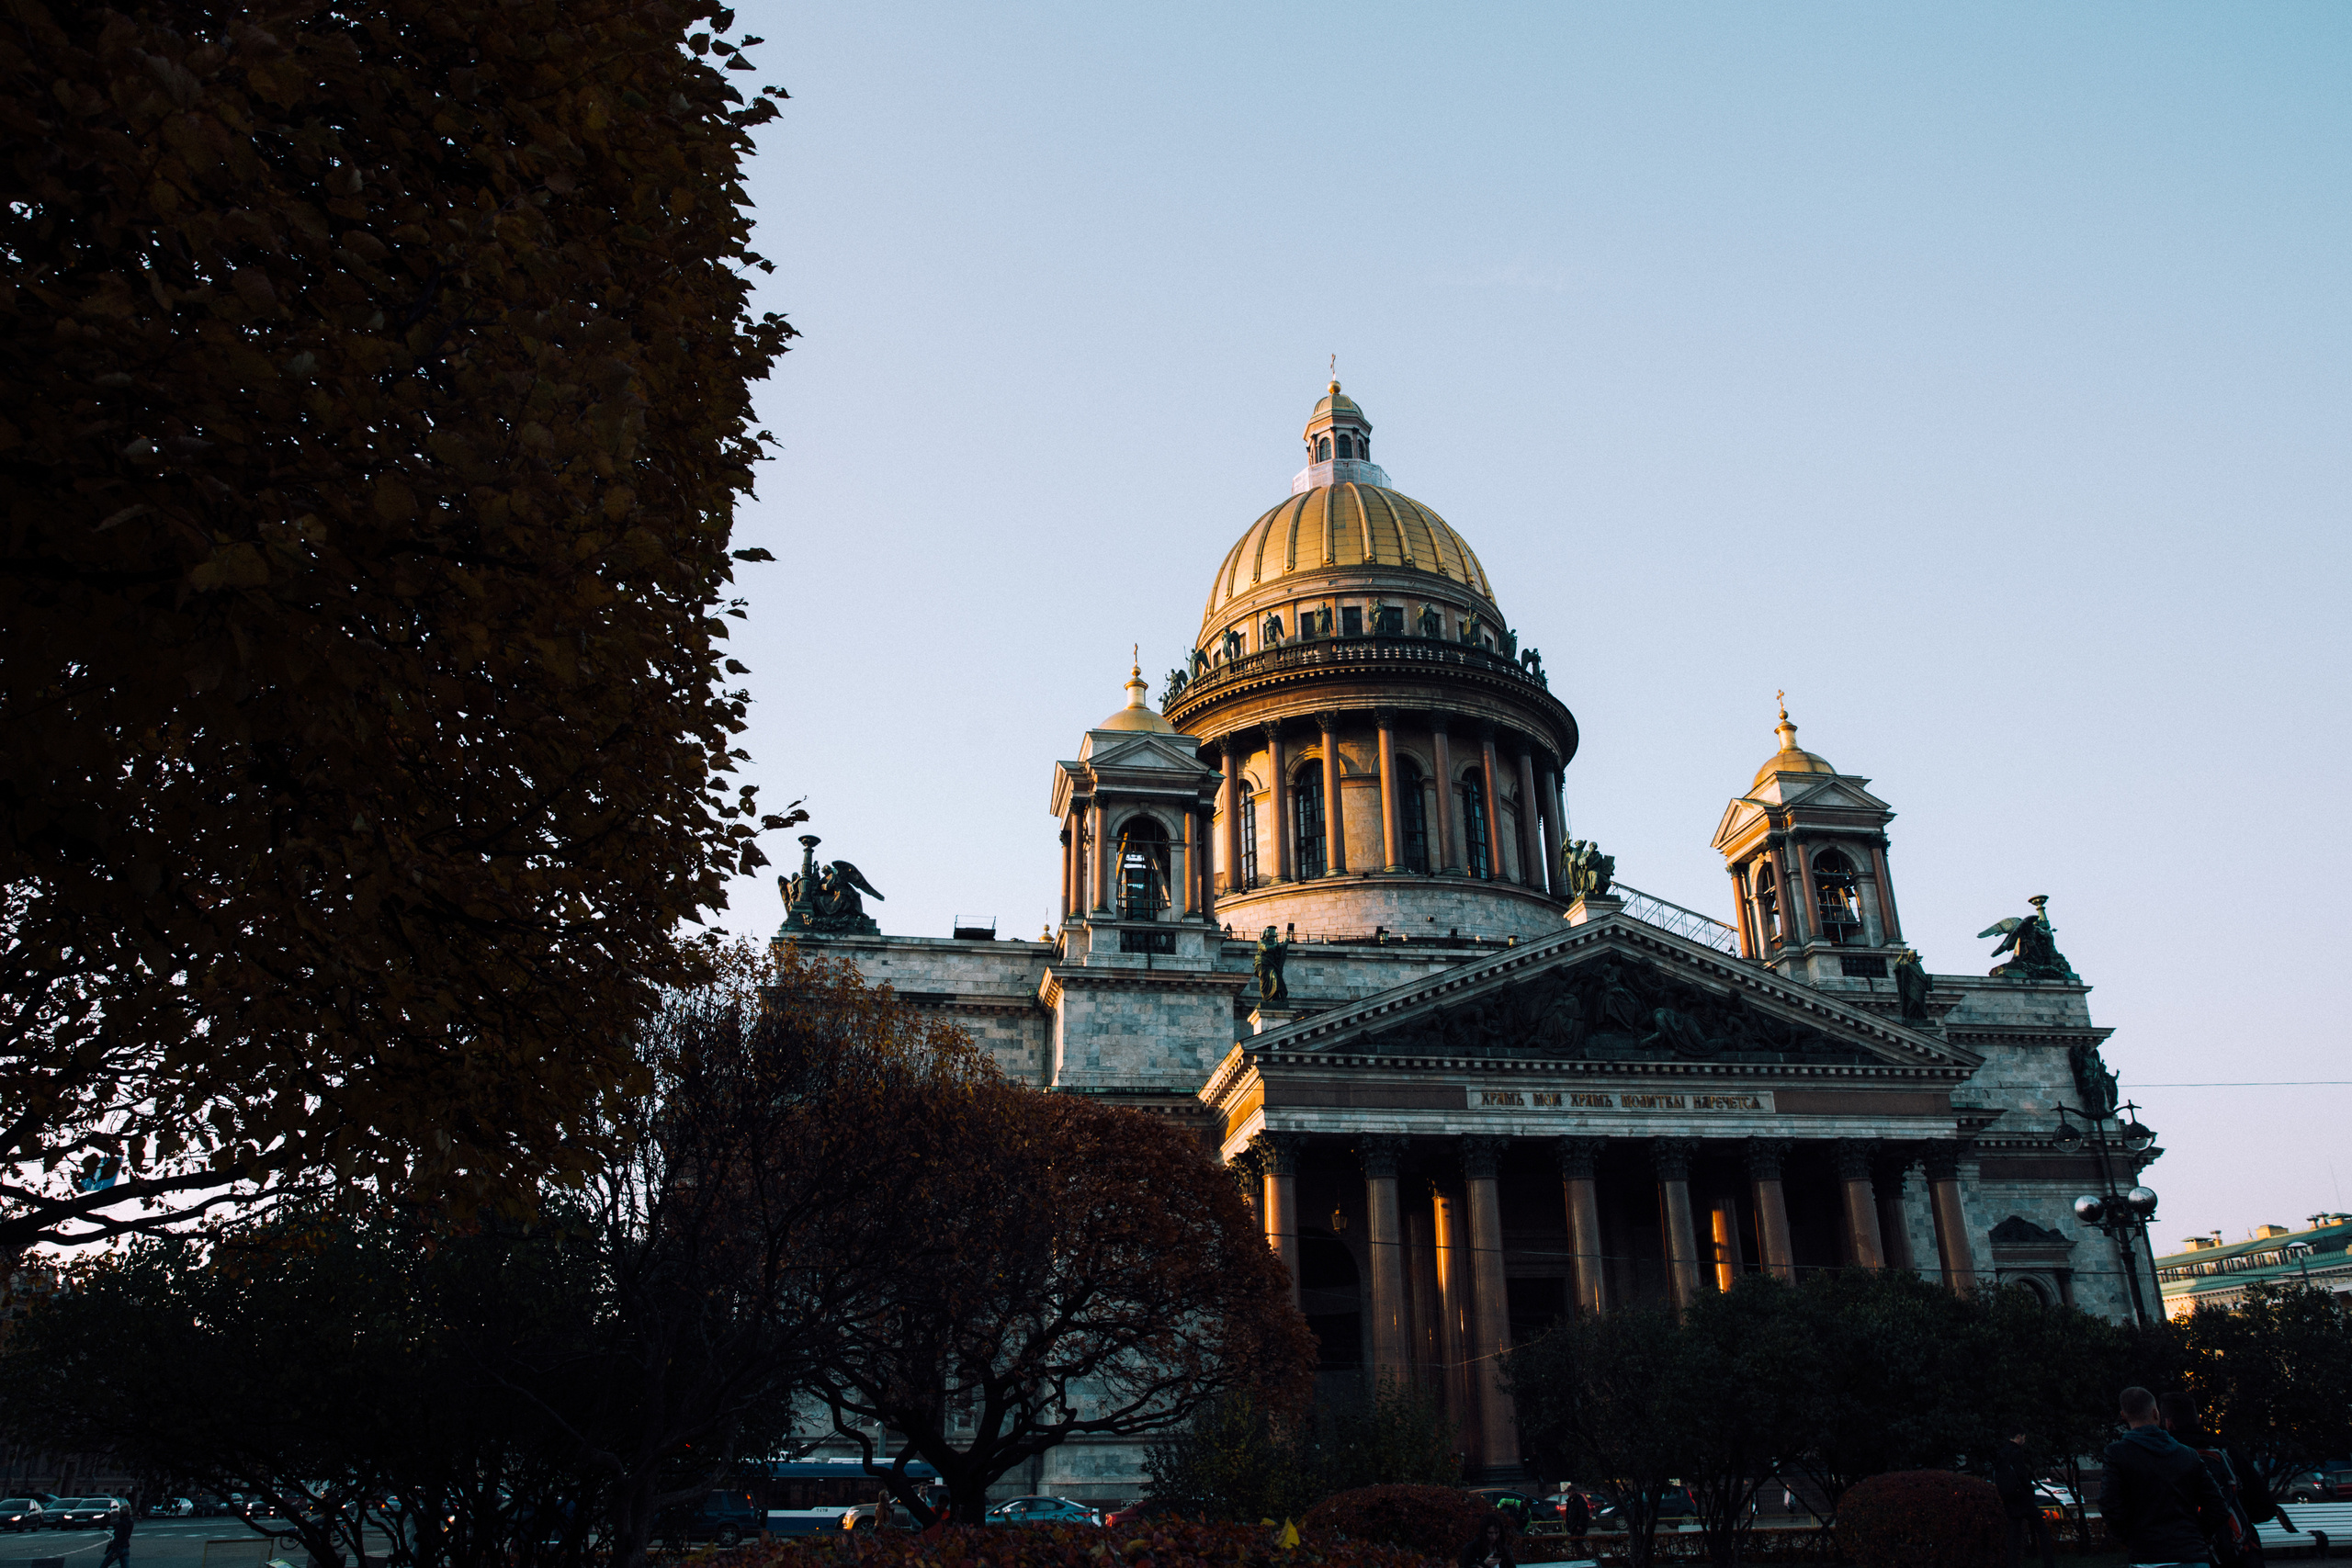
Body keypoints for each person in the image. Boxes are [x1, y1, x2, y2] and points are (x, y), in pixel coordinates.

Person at [2101, 1385, 2231, 1567]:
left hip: (2148, 1556)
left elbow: (2109, 1505)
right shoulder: (2188, 1455)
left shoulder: (2117, 1454)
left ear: (2123, 1415)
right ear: (2156, 1413)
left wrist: (2132, 1538)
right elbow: (2217, 1507)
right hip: (2191, 1555)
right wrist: (2196, 1535)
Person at [2161, 1391, 2269, 1565]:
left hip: (2190, 1554)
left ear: (2168, 1423)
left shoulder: (2165, 1456)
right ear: (2198, 1419)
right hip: (2240, 1553)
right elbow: (2265, 1507)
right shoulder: (2226, 1451)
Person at [1995, 1432, 2058, 1568]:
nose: (2024, 1440)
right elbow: (2022, 1475)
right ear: (2018, 1436)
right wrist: (2029, 1490)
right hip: (2023, 1498)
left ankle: (2012, 1564)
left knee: (2014, 1535)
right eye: (2023, 1437)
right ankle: (2049, 1563)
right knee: (2042, 1530)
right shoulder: (2017, 1453)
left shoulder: (2002, 1453)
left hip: (2010, 1499)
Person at [97, 1504, 133, 1568]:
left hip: (117, 1550)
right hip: (126, 1547)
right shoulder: (130, 1522)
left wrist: (114, 1547)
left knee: (104, 1565)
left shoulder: (121, 1523)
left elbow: (118, 1537)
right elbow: (128, 1536)